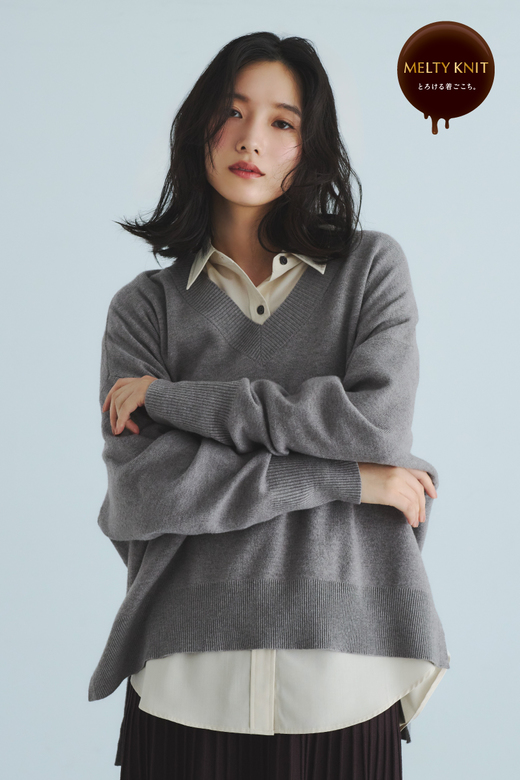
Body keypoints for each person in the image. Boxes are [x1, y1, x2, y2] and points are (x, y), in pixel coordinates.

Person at [89, 31, 449, 780]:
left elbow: (376, 426)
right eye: (232, 111)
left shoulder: (370, 270)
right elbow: (148, 491)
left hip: (344, 678)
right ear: (200, 127)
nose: (251, 138)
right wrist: (349, 481)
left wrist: (177, 402)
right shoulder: (145, 310)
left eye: (282, 121)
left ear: (309, 147)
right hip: (185, 681)